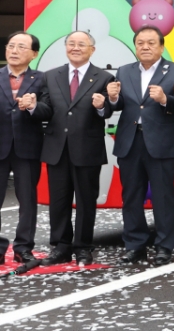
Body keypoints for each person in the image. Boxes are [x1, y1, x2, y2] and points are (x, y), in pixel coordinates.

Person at [108, 26, 174, 266]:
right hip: (130, 141)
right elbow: (120, 104)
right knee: (131, 196)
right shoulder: (124, 71)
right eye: (141, 42)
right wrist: (112, 98)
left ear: (161, 47)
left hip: (162, 142)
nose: (145, 47)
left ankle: (164, 247)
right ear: (135, 46)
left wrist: (167, 100)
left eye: (151, 43)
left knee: (164, 197)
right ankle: (135, 245)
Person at [40, 31, 115, 267]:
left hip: (87, 148)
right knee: (59, 201)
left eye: (81, 44)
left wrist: (103, 106)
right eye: (71, 43)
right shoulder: (51, 76)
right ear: (65, 48)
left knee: (86, 201)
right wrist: (33, 108)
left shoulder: (103, 77)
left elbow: (108, 112)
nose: (75, 47)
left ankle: (83, 246)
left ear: (92, 49)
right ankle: (60, 246)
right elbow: (46, 109)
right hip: (57, 149)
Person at [0, 32, 51, 265]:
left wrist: (32, 107)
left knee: (27, 201)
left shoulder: (42, 80)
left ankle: (23, 247)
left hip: (28, 147)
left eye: (21, 47)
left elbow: (48, 111)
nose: (14, 50)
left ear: (34, 53)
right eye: (11, 46)